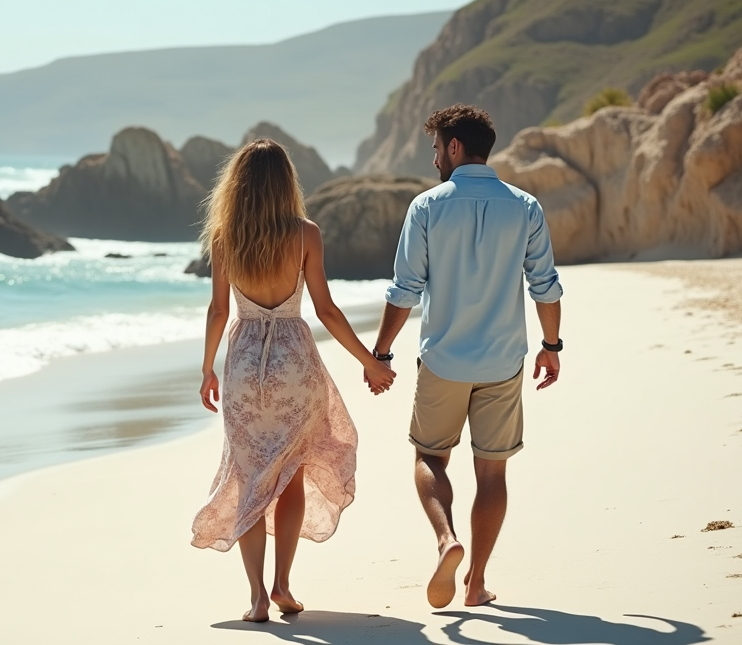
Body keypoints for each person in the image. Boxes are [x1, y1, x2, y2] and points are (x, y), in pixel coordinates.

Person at [190, 138, 395, 623]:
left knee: (248, 474)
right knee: (292, 472)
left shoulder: (224, 238)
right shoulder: (306, 234)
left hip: (245, 365)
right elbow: (326, 309)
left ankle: (257, 597)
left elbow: (218, 309)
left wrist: (207, 368)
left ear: (237, 185)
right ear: (286, 183)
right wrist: (369, 361)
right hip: (295, 365)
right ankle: (283, 583)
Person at [371, 104, 564, 609]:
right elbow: (545, 286)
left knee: (430, 458)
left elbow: (405, 290)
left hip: (444, 361)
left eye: (437, 148)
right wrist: (551, 347)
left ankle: (445, 540)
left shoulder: (426, 207)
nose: (435, 158)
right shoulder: (525, 207)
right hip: (503, 362)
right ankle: (475, 583)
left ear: (455, 147)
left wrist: (382, 352)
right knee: (492, 472)